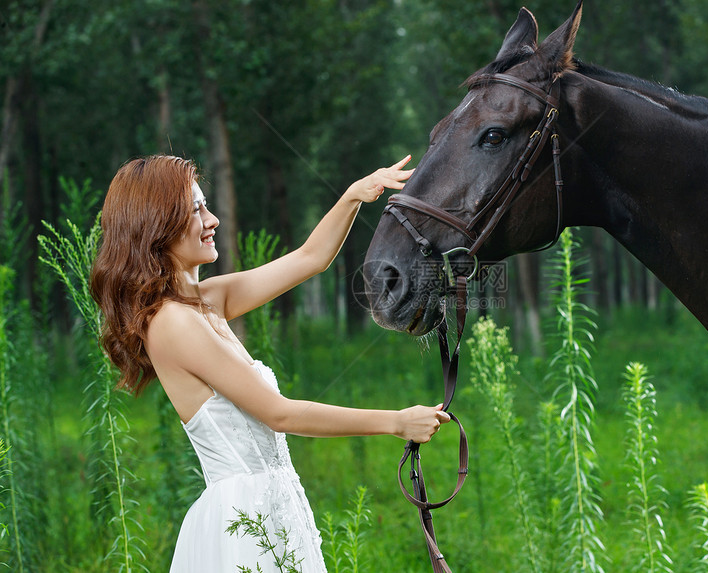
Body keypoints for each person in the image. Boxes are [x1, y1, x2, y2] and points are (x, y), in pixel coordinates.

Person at [89, 154, 449, 572]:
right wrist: (396, 421)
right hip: (243, 523)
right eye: (196, 210)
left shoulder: (207, 301)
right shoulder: (172, 323)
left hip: (274, 505)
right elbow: (279, 414)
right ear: (156, 226)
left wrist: (354, 195)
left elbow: (309, 258)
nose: (213, 220)